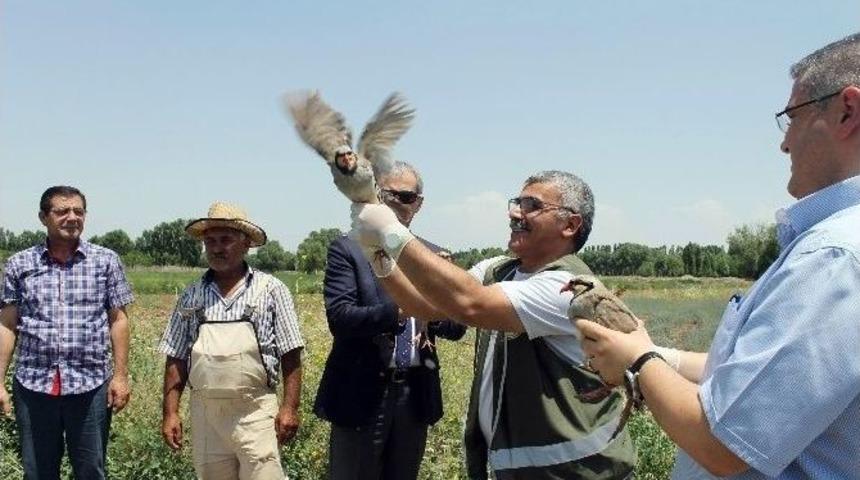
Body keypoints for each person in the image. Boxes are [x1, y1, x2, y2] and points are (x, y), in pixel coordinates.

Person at [576, 32, 860, 479]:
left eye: (793, 116)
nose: (784, 143)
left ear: (847, 110)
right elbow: (754, 380)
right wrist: (654, 353)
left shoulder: (834, 257)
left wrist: (638, 362)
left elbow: (724, 444)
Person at [350, 170, 636, 479]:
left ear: (570, 225)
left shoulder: (565, 286)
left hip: (578, 471)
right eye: (517, 203)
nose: (514, 212)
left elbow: (469, 304)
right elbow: (424, 307)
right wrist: (377, 253)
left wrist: (391, 231)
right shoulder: (498, 270)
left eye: (532, 205)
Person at [316, 161, 467, 480]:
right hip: (360, 393)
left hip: (414, 395)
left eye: (407, 197)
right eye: (389, 195)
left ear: (419, 204)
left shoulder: (434, 255)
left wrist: (442, 295)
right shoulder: (348, 249)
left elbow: (456, 327)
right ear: (375, 198)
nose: (398, 203)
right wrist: (408, 305)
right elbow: (341, 319)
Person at [159, 201, 304, 480]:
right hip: (206, 414)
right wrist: (170, 413)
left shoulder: (271, 290)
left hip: (255, 413)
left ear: (246, 243)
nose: (216, 247)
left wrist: (289, 408)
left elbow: (291, 354)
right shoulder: (191, 295)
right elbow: (175, 357)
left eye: (226, 239)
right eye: (210, 241)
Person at [0, 185, 134, 480]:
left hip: (91, 384)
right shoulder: (20, 264)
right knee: (37, 472)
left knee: (90, 470)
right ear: (43, 217)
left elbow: (118, 320)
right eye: (62, 211)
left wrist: (121, 376)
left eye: (78, 211)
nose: (72, 217)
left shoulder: (105, 261)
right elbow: (7, 324)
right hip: (34, 386)